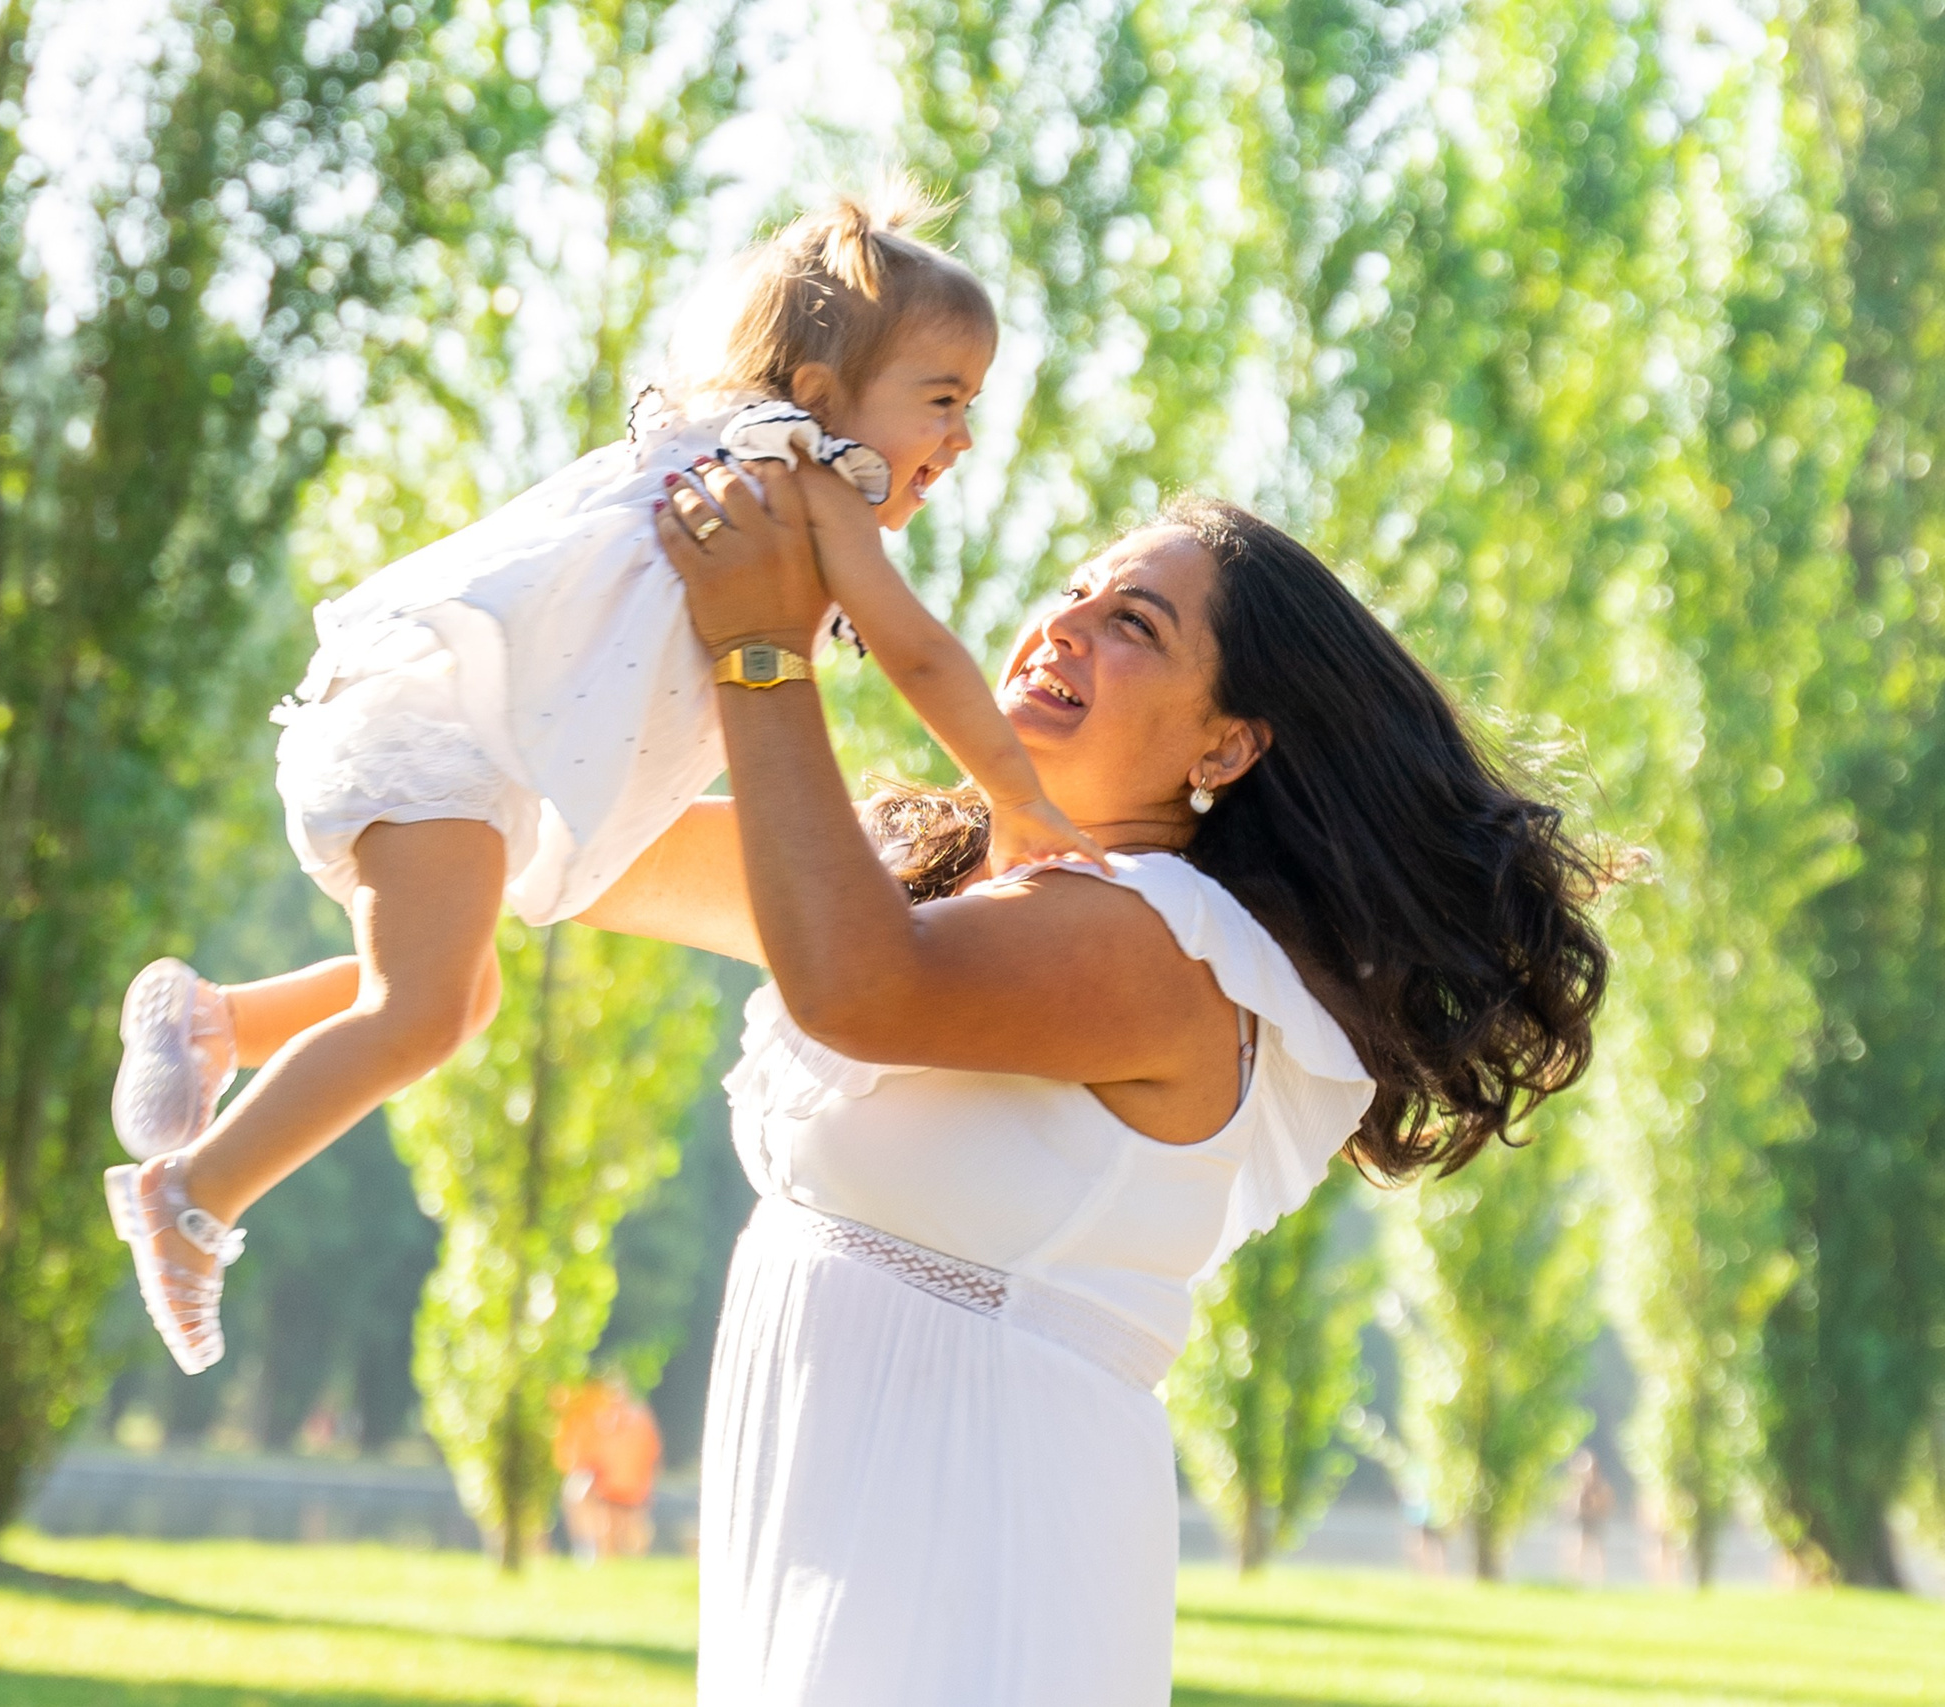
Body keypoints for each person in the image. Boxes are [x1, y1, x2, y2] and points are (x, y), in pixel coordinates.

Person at [584, 459, 1610, 1700]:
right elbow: (580, 852)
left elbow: (856, 988)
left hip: (974, 1544)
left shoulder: (1160, 949)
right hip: (838, 1517)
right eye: (1072, 591)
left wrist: (763, 647)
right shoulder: (928, 875)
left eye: (1132, 624)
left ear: (1225, 744)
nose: (1061, 624)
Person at [101, 188, 1101, 1372]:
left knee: (455, 998)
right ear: (827, 398)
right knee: (421, 1009)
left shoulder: (715, 444)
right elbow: (921, 653)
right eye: (942, 401)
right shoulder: (805, 477)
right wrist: (1019, 798)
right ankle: (193, 1200)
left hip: (451, 729)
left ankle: (221, 1019)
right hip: (448, 731)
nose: (963, 438)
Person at [554, 1374, 665, 1561]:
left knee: (630, 1530)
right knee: (606, 1525)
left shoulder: (637, 1421)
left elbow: (651, 1454)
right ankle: (594, 1553)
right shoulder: (603, 1421)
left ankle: (621, 1558)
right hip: (610, 1485)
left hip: (631, 1486)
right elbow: (590, 1455)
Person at [1566, 1447, 1616, 1584]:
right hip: (1581, 1522)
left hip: (1596, 1521)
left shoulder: (1600, 1487)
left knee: (1597, 1549)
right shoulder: (1577, 1487)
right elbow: (1570, 1506)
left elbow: (1606, 1504)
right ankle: (1574, 1579)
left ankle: (1599, 1580)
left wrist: (1596, 1508)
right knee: (1577, 1547)